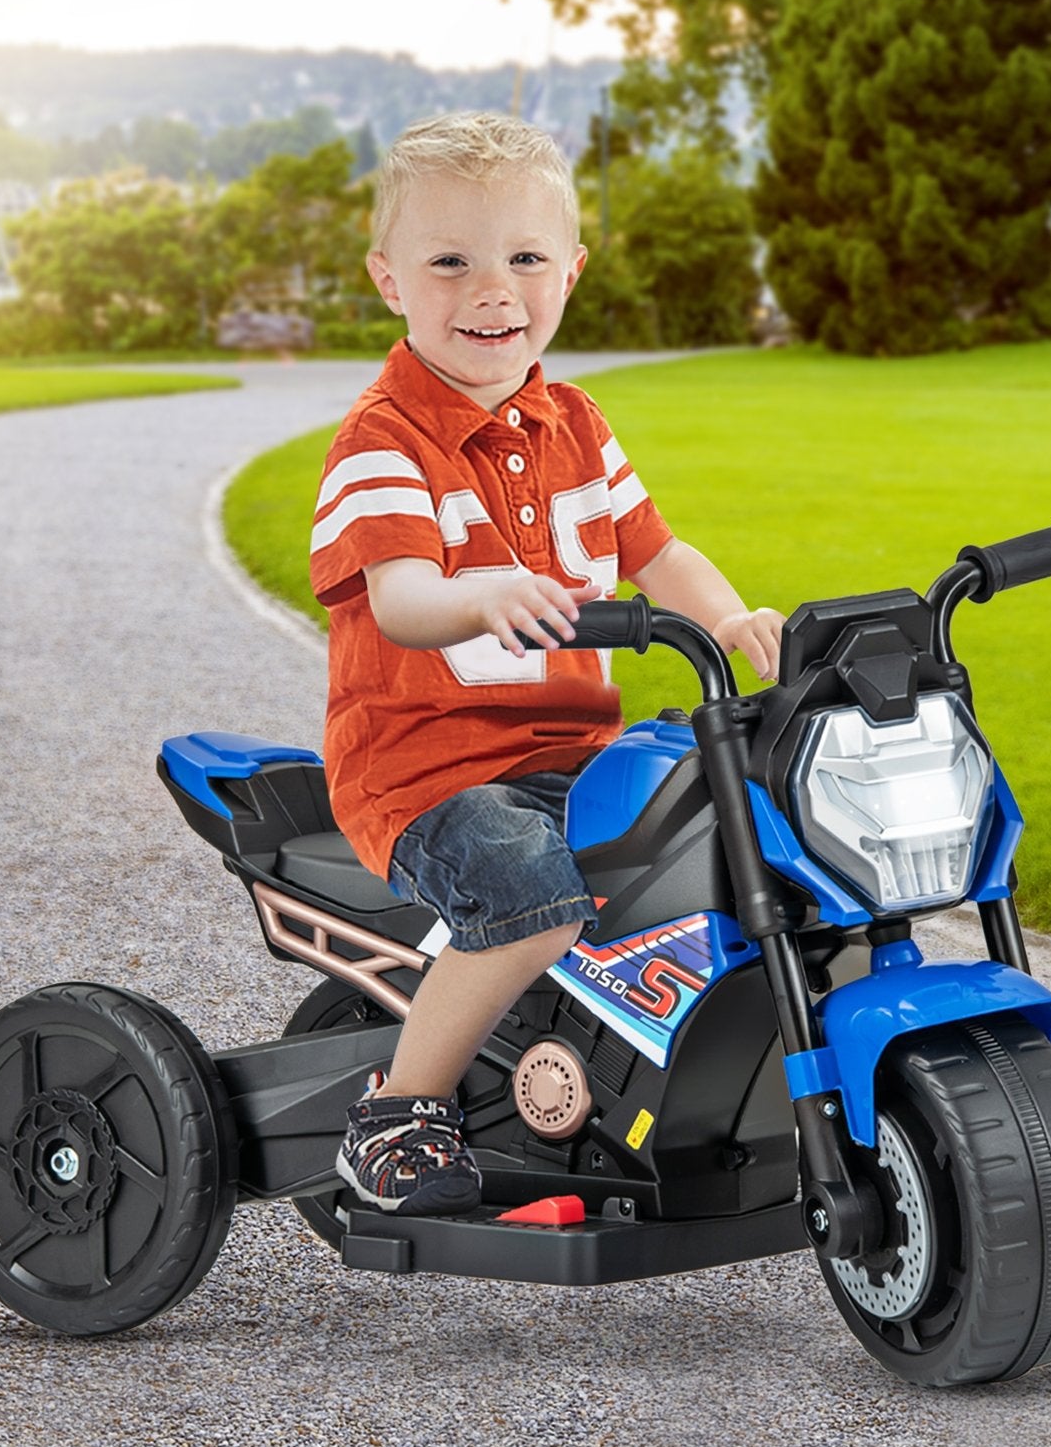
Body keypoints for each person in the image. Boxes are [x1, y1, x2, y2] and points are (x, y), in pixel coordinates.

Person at [309, 112, 782, 1216]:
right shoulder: (381, 444)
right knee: (530, 896)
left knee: (721, 831)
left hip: (573, 749)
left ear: (570, 269)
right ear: (389, 279)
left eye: (524, 257)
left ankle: (664, 1083)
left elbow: (655, 549)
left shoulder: (576, 422)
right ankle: (397, 1112)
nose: (493, 290)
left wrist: (728, 618)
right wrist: (478, 592)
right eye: (450, 262)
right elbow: (404, 599)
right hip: (426, 768)